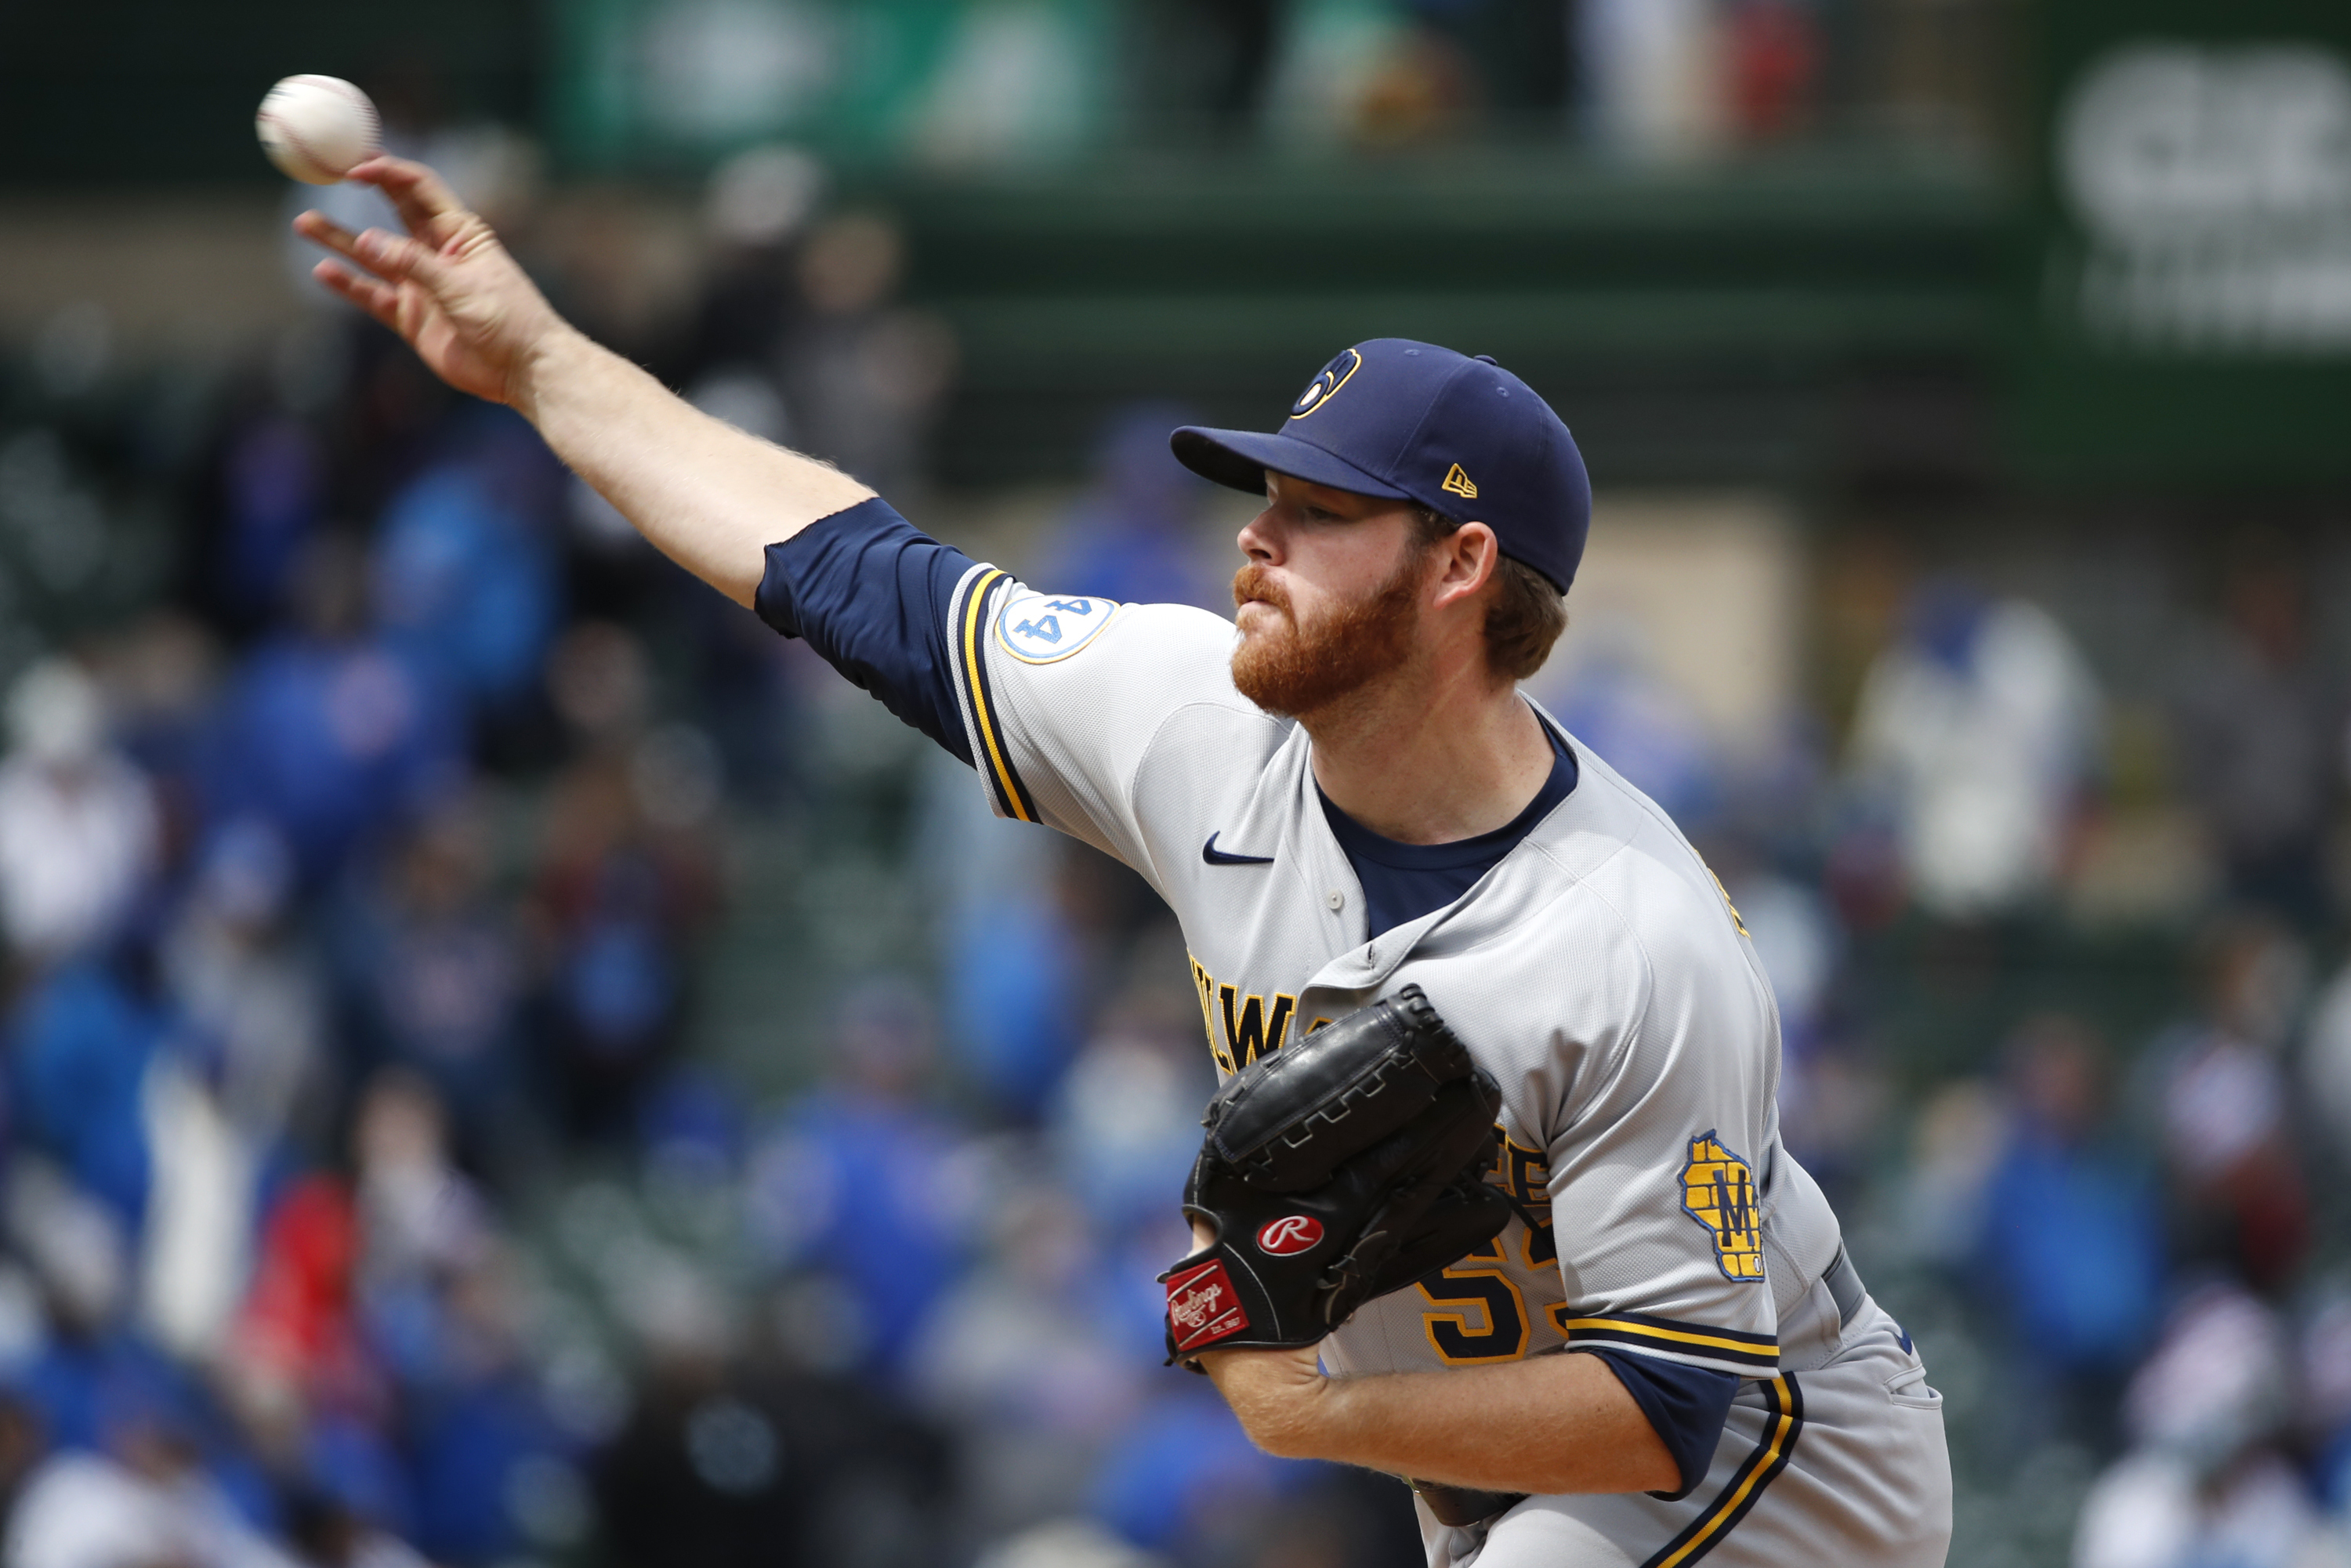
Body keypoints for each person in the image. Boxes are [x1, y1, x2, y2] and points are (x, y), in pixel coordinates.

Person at [292, 158, 1953, 1568]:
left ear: (1460, 569)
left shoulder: (1634, 932)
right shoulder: (1193, 721)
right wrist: (543, 365)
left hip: (1783, 1477)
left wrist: (1324, 1406)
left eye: (1319, 508)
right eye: (1263, 491)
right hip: (1509, 1470)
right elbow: (840, 566)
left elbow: (1664, 1405)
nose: (1255, 532)